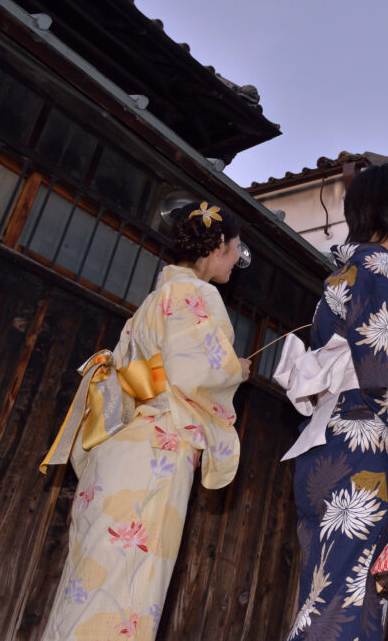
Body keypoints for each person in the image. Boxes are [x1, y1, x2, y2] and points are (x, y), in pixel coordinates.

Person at [40, 201, 252, 640]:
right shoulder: (196, 294)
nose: (236, 259)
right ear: (215, 248)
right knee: (129, 589)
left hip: (118, 450)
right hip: (155, 454)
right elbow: (196, 372)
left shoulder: (152, 303)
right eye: (234, 249)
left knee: (89, 581)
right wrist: (236, 370)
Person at [285, 162, 388, 641]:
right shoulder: (386, 269)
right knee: (344, 607)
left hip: (325, 446)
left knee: (330, 596)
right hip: (363, 452)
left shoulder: (342, 276)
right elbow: (385, 361)